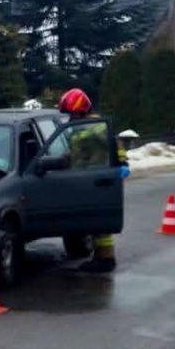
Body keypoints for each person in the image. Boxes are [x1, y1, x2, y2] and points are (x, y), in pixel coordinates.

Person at [59, 87, 128, 273]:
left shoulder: (93, 127)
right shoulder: (86, 126)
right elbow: (80, 153)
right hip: (92, 176)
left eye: (72, 114)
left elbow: (113, 145)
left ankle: (105, 258)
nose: (70, 118)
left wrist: (122, 163)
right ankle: (101, 256)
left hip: (96, 177)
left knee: (99, 223)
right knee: (96, 221)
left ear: (81, 111)